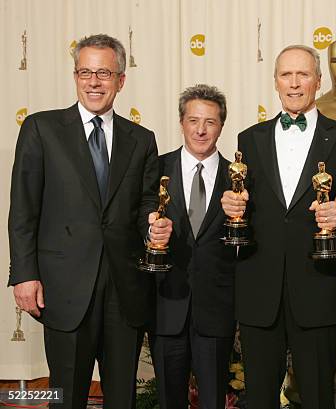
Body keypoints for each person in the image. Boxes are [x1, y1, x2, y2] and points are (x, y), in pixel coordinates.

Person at [8, 34, 172, 409]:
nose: (93, 82)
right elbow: (22, 209)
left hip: (124, 288)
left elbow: (147, 203)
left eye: (103, 72)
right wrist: (23, 273)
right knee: (65, 397)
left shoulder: (141, 139)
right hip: (64, 287)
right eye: (85, 72)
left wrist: (155, 226)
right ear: (75, 75)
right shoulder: (41, 129)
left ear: (121, 80)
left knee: (121, 398)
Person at [220, 45, 336, 409]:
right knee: (259, 398)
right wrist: (230, 207)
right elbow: (243, 210)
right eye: (286, 75)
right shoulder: (248, 140)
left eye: (303, 75)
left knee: (317, 397)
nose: (295, 83)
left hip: (317, 286)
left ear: (318, 81)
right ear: (275, 82)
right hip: (259, 289)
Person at [149, 84, 235, 409]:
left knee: (214, 401)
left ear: (221, 126)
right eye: (193, 120)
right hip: (165, 308)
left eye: (210, 122)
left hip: (216, 310)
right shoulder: (155, 171)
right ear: (181, 122)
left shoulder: (240, 177)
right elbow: (135, 230)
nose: (201, 130)